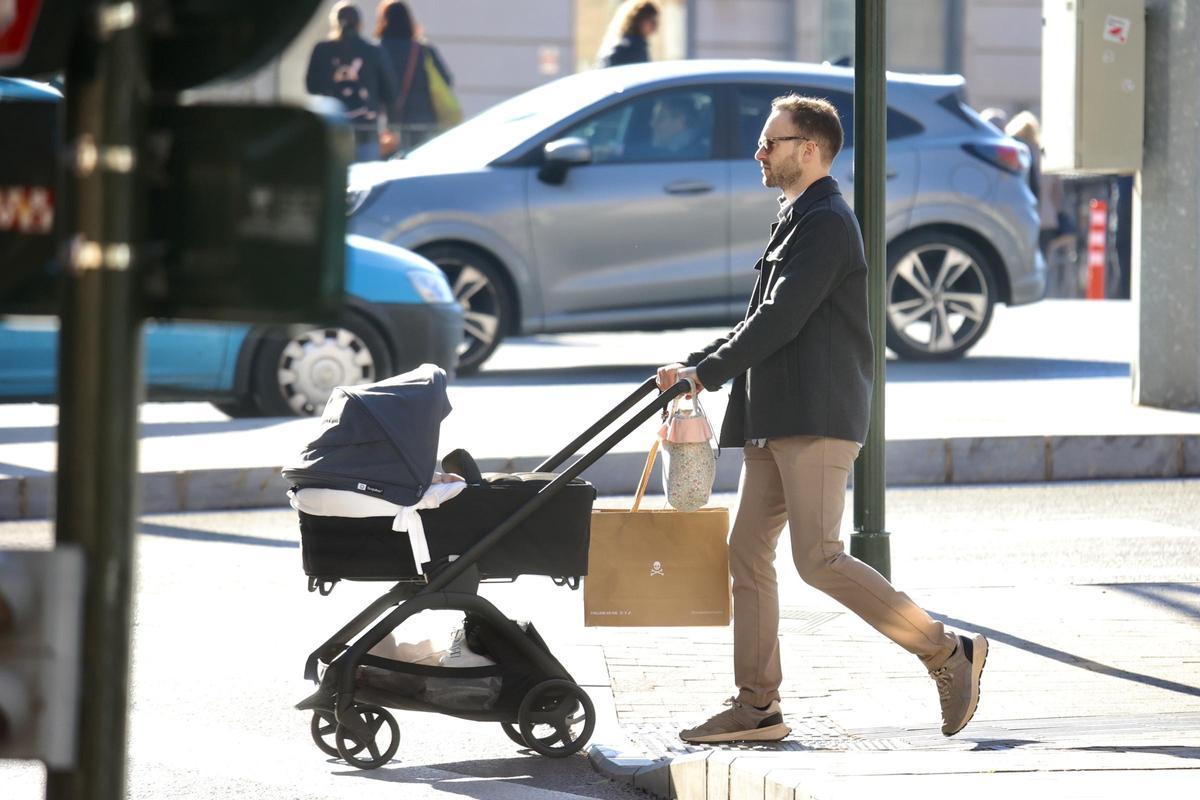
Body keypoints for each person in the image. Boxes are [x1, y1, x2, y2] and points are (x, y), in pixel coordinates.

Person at [658, 94, 988, 744]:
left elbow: (782, 318)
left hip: (814, 415)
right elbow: (763, 317)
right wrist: (696, 364)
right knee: (748, 555)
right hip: (775, 414)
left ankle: (945, 652)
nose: (760, 153)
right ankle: (757, 708)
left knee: (818, 559)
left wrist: (708, 372)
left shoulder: (828, 222)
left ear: (809, 150)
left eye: (770, 142)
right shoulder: (796, 218)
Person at [305, 2, 396, 162]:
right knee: (367, 181)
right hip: (366, 130)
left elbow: (311, 86)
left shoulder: (321, 50)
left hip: (332, 132)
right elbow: (389, 92)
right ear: (360, 24)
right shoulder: (373, 51)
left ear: (334, 23)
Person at [375, 0, 455, 154]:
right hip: (424, 120)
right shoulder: (423, 50)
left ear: (383, 21)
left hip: (392, 123)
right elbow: (447, 80)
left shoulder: (377, 50)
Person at [597, 0, 659, 68]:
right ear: (638, 20)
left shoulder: (632, 44)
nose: (655, 25)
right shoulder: (631, 47)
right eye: (651, 20)